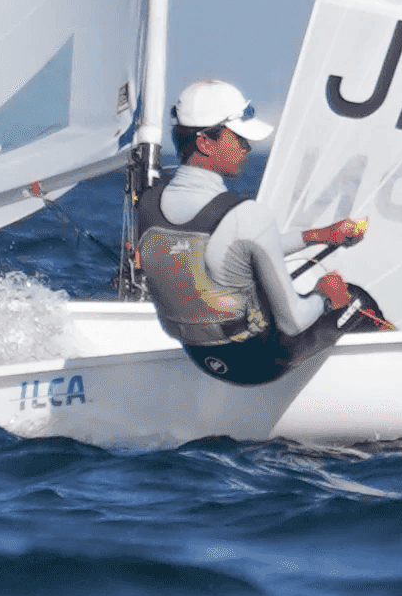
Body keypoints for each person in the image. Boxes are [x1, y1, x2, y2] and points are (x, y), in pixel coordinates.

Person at [130, 78, 387, 385]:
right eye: (238, 137)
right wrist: (325, 296)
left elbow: (229, 249)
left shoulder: (146, 204)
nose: (247, 146)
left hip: (200, 358)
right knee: (354, 299)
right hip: (258, 365)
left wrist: (319, 236)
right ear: (205, 143)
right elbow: (293, 323)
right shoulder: (248, 215)